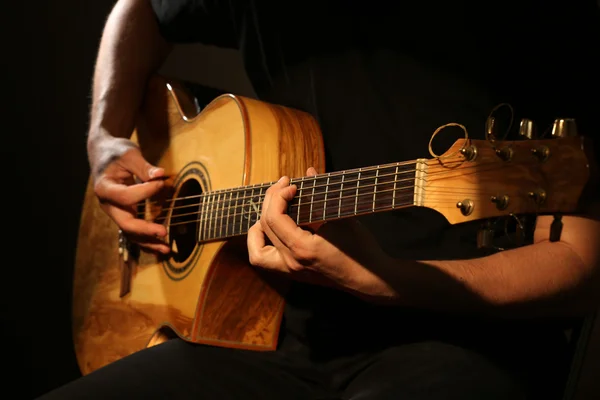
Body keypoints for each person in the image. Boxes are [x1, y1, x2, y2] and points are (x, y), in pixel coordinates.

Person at [40, 0, 600, 399]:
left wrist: (388, 281)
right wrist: (104, 138)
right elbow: (137, 9)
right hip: (271, 332)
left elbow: (582, 267)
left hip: (465, 344)